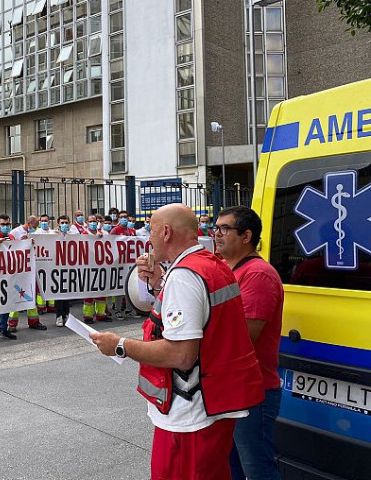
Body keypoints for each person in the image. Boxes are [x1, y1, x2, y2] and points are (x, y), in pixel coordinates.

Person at [90, 204, 263, 480]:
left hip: (189, 415)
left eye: (151, 230)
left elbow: (182, 354)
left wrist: (119, 345)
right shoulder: (209, 264)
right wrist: (160, 283)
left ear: (166, 232)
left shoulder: (185, 276)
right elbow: (199, 318)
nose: (148, 238)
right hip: (211, 405)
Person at [214, 206, 284, 480]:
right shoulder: (226, 269)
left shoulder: (258, 275)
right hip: (231, 391)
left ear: (246, 236)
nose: (216, 234)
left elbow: (245, 337)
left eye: (224, 229)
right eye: (215, 228)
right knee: (231, 468)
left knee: (258, 471)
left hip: (254, 393)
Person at [5, 213, 47, 333]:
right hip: (18, 269)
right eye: (35, 225)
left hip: (29, 268)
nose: (36, 227)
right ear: (29, 224)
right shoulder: (15, 232)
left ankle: (34, 321)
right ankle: (12, 324)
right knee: (16, 295)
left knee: (31, 295)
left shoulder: (35, 232)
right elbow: (10, 247)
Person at [0, 215, 20, 345]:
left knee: (7, 304)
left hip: (9, 276)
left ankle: (3, 329)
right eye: (3, 224)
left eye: (7, 224)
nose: (5, 226)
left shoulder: (11, 237)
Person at [53, 215, 74, 327]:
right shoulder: (53, 235)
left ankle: (66, 314)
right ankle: (59, 316)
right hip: (57, 267)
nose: (65, 224)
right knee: (59, 293)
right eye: (62, 222)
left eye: (66, 222)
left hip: (69, 268)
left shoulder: (72, 236)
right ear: (58, 224)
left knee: (67, 293)